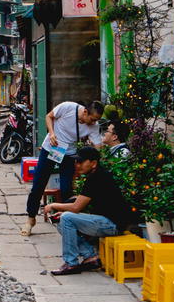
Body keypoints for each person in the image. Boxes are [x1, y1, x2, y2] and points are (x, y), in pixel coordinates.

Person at [43, 146, 135, 275]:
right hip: (104, 220)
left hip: (112, 224)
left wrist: (53, 205)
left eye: (81, 161)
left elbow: (76, 207)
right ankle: (90, 256)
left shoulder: (97, 178)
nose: (77, 165)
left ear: (93, 163)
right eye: (76, 161)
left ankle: (71, 263)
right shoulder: (95, 175)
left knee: (66, 218)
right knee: (62, 222)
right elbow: (81, 203)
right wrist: (64, 212)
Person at [21, 100, 105, 236]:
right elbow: (49, 116)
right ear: (85, 112)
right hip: (51, 148)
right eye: (92, 119)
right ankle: (30, 219)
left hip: (69, 154)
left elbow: (97, 146)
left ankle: (67, 222)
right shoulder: (68, 107)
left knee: (67, 189)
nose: (93, 122)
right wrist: (52, 133)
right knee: (38, 184)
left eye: (96, 120)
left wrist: (101, 160)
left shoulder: (93, 126)